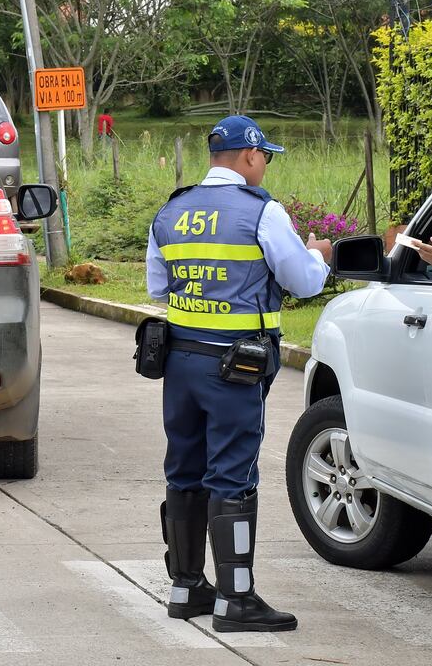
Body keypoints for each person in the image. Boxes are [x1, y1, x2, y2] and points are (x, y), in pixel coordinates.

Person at [146, 115, 332, 633]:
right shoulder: (262, 212)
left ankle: (186, 587)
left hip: (179, 361)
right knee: (232, 474)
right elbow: (305, 282)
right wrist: (319, 255)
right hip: (236, 366)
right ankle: (236, 599)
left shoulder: (172, 210)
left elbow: (159, 288)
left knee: (184, 469)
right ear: (249, 156)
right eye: (264, 156)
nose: (265, 165)